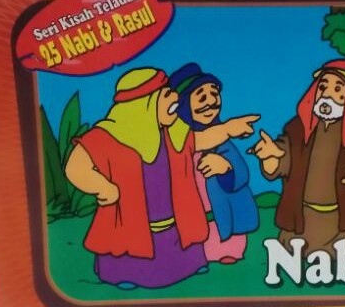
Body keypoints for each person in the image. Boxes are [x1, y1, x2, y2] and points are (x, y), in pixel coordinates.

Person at [64, 67, 258, 288]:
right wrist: (102, 187)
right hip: (131, 224)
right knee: (128, 249)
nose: (175, 97)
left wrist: (228, 129)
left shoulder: (173, 134)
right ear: (145, 103)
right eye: (166, 94)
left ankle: (188, 265)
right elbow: (75, 167)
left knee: (183, 248)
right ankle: (126, 274)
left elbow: (202, 138)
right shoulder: (108, 136)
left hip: (173, 225)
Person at [249, 59, 345, 256]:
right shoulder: (299, 127)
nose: (327, 95)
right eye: (323, 87)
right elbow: (284, 157)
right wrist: (270, 156)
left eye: (337, 89)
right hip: (304, 222)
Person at [169, 63, 259, 265]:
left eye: (214, 94)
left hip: (222, 213)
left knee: (225, 232)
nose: (210, 102)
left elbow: (242, 174)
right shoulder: (177, 141)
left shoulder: (223, 143)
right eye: (201, 96)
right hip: (190, 215)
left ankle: (228, 250)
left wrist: (226, 167)